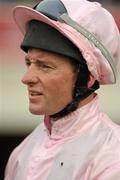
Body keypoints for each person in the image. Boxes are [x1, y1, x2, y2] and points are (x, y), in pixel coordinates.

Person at [4, 0, 120, 179]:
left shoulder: (112, 157)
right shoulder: (22, 153)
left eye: (45, 66)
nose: (26, 78)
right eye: (29, 63)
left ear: (88, 77)